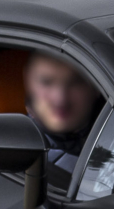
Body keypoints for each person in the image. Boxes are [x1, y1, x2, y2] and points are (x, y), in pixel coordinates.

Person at [23, 53, 106, 193]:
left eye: (75, 82)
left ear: (96, 85)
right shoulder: (16, 154)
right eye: (47, 82)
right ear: (28, 82)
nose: (60, 99)